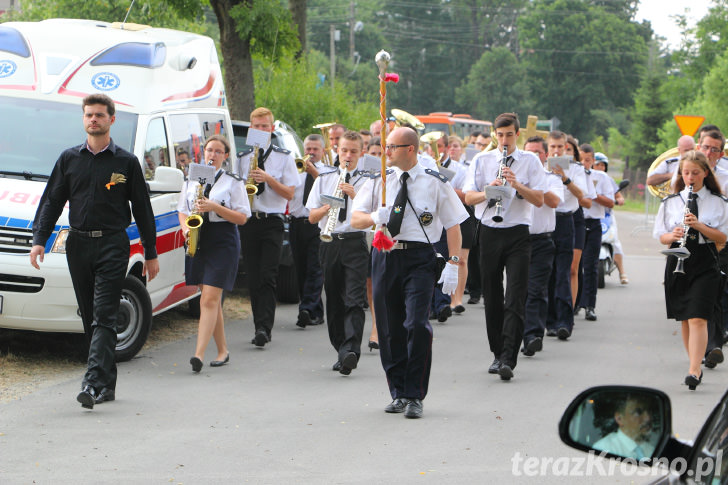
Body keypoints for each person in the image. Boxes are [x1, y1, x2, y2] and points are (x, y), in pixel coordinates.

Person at [30, 93, 159, 409]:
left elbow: (142, 208)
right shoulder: (69, 159)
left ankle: (90, 383)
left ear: (111, 119)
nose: (94, 120)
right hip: (78, 244)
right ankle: (107, 385)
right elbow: (52, 201)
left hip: (113, 244)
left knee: (104, 314)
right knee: (91, 316)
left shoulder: (125, 162)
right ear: (84, 118)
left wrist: (151, 252)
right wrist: (38, 239)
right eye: (89, 115)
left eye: (100, 115)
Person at [351, 126, 467, 418]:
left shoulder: (434, 181)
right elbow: (355, 219)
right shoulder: (380, 181)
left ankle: (415, 394)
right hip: (386, 254)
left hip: (419, 258)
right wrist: (375, 217)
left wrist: (453, 263)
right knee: (389, 329)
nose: (385, 152)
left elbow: (454, 224)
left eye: (392, 147)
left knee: (415, 323)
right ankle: (398, 391)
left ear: (410, 149)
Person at [463, 113, 546, 381]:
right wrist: (490, 190)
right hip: (489, 231)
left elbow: (539, 199)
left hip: (519, 233)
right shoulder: (482, 159)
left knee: (516, 294)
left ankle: (509, 357)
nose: (505, 140)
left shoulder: (530, 161)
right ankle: (497, 353)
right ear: (494, 135)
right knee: (492, 295)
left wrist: (515, 184)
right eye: (500, 135)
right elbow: (468, 197)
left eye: (509, 135)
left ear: (517, 134)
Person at [653, 150, 728, 390]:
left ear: (705, 173)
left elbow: (723, 237)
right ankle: (694, 362)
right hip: (678, 258)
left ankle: (694, 370)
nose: (690, 177)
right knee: (685, 317)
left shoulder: (719, 202)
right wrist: (672, 234)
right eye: (686, 173)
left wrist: (699, 226)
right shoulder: (672, 202)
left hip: (705, 259)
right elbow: (661, 236)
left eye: (695, 173)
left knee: (698, 316)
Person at [178, 135, 250, 372]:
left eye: (218, 151)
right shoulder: (193, 177)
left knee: (208, 299)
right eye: (209, 150)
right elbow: (182, 210)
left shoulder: (233, 181)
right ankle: (222, 350)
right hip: (199, 236)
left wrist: (214, 206)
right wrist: (186, 228)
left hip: (223, 240)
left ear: (225, 156)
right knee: (211, 298)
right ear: (204, 152)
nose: (212, 155)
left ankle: (198, 355)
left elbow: (242, 217)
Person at [235, 107, 299, 347]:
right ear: (251, 128)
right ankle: (257, 325)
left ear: (271, 129)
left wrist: (268, 179)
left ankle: (265, 327)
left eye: (265, 127)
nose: (261, 130)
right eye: (257, 127)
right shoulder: (242, 159)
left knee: (268, 275)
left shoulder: (284, 157)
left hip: (272, 220)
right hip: (250, 220)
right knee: (253, 276)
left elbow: (290, 193)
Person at [307, 131, 370, 375]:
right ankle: (341, 350)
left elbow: (373, 215)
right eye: (344, 151)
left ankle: (351, 350)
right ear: (337, 151)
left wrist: (355, 195)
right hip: (329, 241)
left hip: (354, 242)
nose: (348, 156)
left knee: (354, 298)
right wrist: (327, 206)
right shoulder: (323, 178)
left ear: (361, 153)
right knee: (333, 299)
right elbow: (311, 217)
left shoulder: (368, 181)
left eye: (354, 151)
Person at [544, 131, 588, 340]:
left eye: (560, 147)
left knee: (564, 272)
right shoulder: (539, 167)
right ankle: (550, 321)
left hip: (565, 219)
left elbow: (583, 196)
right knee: (548, 273)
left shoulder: (576, 168)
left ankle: (564, 321)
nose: (556, 150)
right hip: (545, 220)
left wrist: (565, 178)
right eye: (552, 147)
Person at [522, 136, 563, 355]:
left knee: (536, 289)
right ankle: (515, 335)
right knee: (518, 291)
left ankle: (533, 336)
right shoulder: (515, 177)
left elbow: (554, 201)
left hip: (542, 240)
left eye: (537, 152)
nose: (534, 156)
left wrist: (533, 186)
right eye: (529, 152)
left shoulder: (551, 177)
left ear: (545, 155)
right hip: (517, 239)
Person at [289, 134, 327, 328]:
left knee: (314, 268)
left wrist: (314, 174)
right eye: (308, 149)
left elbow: (328, 195)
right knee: (301, 268)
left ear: (323, 151)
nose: (311, 153)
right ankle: (314, 310)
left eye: (315, 150)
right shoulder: (296, 169)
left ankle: (307, 308)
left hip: (316, 224)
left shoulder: (327, 172)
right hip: (296, 223)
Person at [578, 145, 614, 321]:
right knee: (573, 265)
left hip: (593, 223)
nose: (584, 163)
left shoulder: (601, 177)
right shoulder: (571, 175)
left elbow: (610, 202)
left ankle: (589, 305)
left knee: (590, 265)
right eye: (581, 159)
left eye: (587, 160)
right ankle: (574, 302)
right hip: (575, 220)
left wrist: (594, 195)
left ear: (593, 161)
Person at [593, 153, 629, 284]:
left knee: (615, 242)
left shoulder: (608, 180)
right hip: (592, 217)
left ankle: (622, 272)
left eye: (603, 165)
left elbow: (618, 196)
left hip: (607, 216)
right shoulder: (586, 177)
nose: (600, 167)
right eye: (598, 164)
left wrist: (619, 200)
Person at [594, 395, 656, 459]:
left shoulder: (652, 449)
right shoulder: (604, 449)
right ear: (619, 418)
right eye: (638, 412)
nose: (648, 418)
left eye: (649, 411)